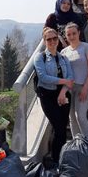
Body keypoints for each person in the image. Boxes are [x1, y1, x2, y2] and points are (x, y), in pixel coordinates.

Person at [34, 27, 74, 162]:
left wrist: (63, 92)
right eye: (48, 39)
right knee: (58, 127)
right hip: (48, 95)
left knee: (62, 127)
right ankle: (56, 158)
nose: (52, 41)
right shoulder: (40, 58)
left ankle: (60, 158)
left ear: (58, 39)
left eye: (54, 38)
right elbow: (43, 77)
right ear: (45, 41)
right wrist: (64, 81)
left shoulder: (64, 57)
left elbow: (71, 76)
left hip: (63, 94)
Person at [61, 23, 88, 140]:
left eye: (74, 33)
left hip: (83, 86)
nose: (72, 36)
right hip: (69, 89)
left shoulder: (87, 47)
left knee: (80, 115)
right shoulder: (64, 52)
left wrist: (86, 88)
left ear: (79, 33)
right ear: (66, 36)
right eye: (69, 34)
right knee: (71, 117)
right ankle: (77, 143)